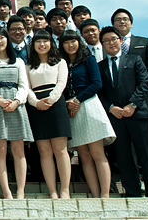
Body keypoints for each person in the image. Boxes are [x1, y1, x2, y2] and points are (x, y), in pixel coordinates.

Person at [97, 26, 148, 198]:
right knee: (124, 156)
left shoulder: (134, 60)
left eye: (113, 39)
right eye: (106, 41)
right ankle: (132, 191)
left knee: (147, 155)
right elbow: (99, 92)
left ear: (120, 41)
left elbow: (144, 83)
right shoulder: (100, 66)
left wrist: (133, 104)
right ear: (102, 44)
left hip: (138, 114)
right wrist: (111, 107)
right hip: (116, 117)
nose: (110, 43)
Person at [111, 8, 148, 182]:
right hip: (123, 98)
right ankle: (138, 171)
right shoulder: (112, 45)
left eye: (125, 19)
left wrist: (141, 85)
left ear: (131, 22)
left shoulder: (143, 41)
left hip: (146, 94)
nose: (122, 22)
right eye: (118, 20)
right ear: (113, 24)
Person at [58, 30, 115, 198]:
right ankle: (96, 194)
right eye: (66, 42)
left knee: (97, 153)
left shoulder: (88, 60)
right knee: (84, 155)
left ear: (79, 42)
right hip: (72, 111)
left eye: (73, 41)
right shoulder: (62, 64)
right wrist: (70, 102)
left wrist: (77, 100)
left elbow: (97, 84)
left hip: (89, 105)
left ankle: (105, 194)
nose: (70, 45)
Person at [0, 25, 33, 199]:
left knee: (19, 150)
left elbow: (24, 86)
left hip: (16, 105)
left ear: (7, 39)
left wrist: (17, 101)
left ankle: (20, 190)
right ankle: (6, 191)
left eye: (2, 38)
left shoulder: (18, 61)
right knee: (0, 149)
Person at [26, 30, 72, 199]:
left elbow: (61, 83)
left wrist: (50, 100)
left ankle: (65, 190)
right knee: (44, 151)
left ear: (51, 43)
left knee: (60, 149)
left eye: (45, 41)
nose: (42, 44)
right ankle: (52, 190)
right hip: (36, 107)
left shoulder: (60, 62)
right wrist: (36, 102)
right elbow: (27, 88)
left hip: (56, 104)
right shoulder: (28, 66)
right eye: (38, 41)